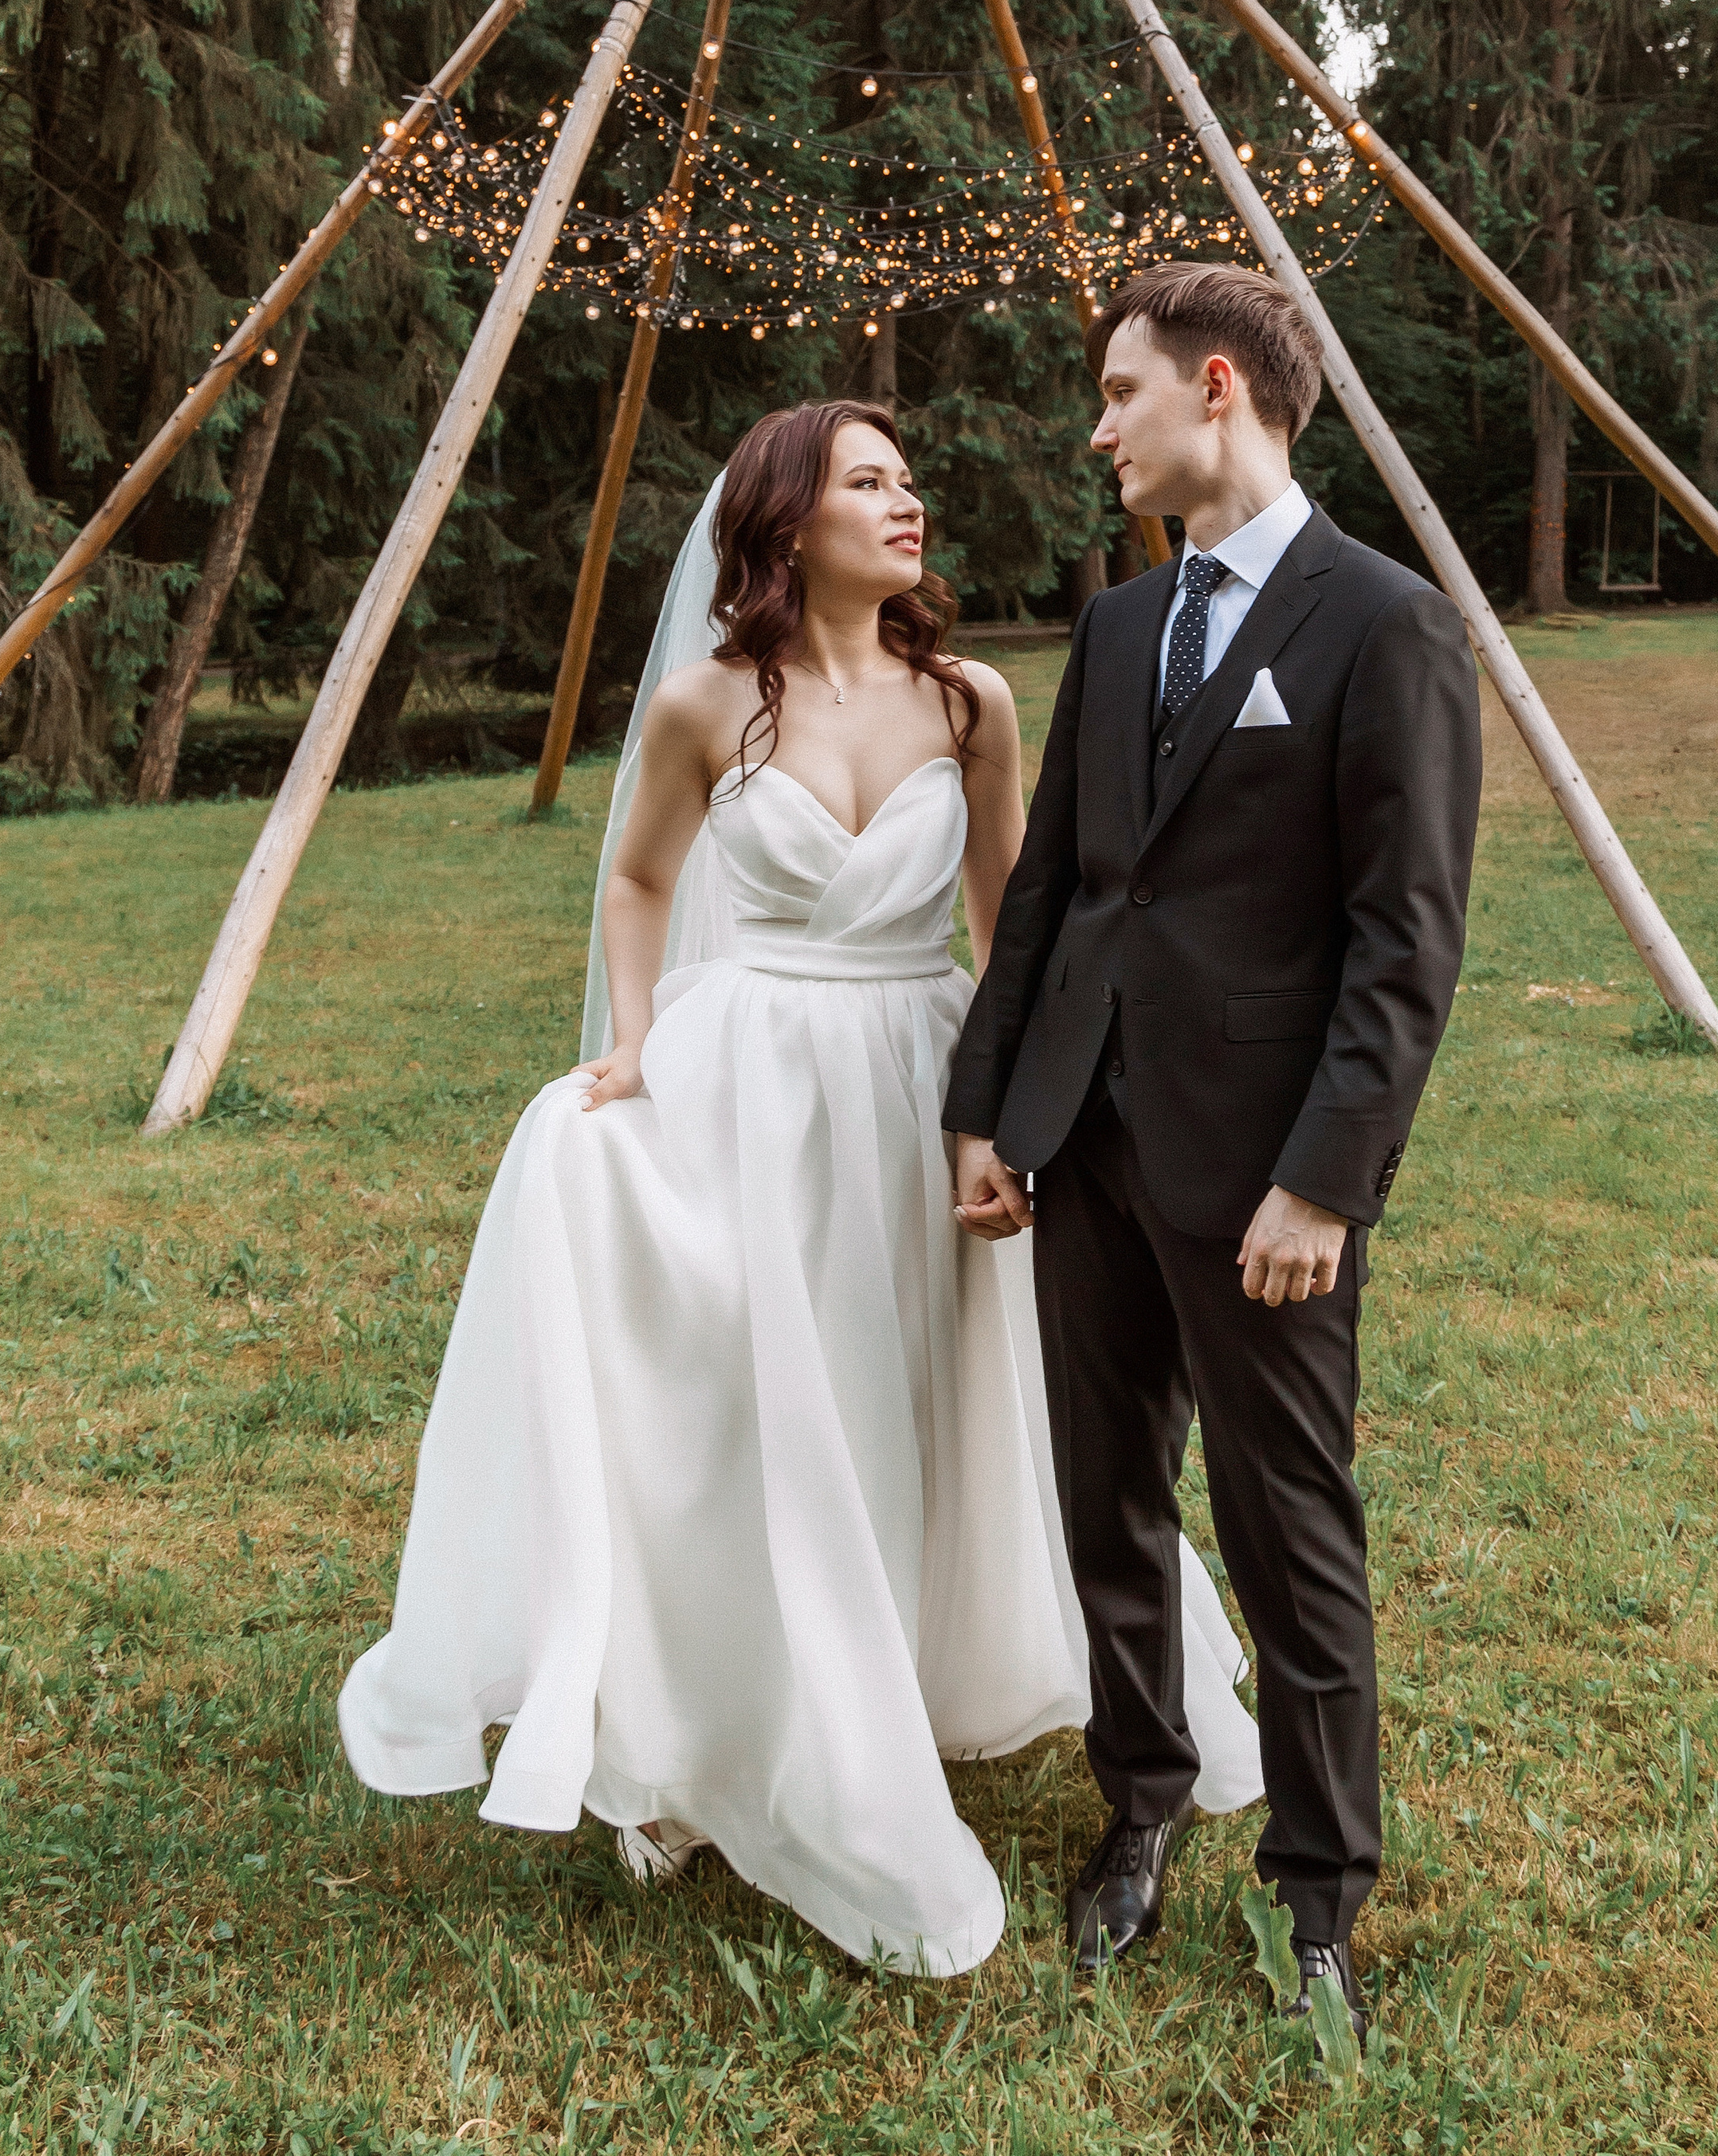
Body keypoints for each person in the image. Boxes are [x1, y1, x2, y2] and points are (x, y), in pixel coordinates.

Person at [338, 399, 1261, 1974]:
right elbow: (636, 880)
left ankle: (909, 1664)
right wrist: (629, 1043)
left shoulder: (969, 703)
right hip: (751, 1075)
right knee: (760, 1391)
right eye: (870, 482)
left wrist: (1010, 1119)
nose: (910, 503)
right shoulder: (707, 704)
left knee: (923, 1382)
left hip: (921, 1075)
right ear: (784, 523)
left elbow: (1008, 924)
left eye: (912, 477)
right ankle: (738, 1698)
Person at [944, 265, 1482, 2046]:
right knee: (1102, 1493)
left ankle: (1318, 1886)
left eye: (1118, 392)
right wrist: (990, 1109)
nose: (1096, 428)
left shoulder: (1382, 622)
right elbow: (1050, 897)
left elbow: (1400, 939)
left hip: (1262, 1177)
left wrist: (1325, 1178)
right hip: (1082, 1143)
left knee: (1281, 1519)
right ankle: (1142, 1796)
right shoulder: (1114, 628)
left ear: (1219, 388)